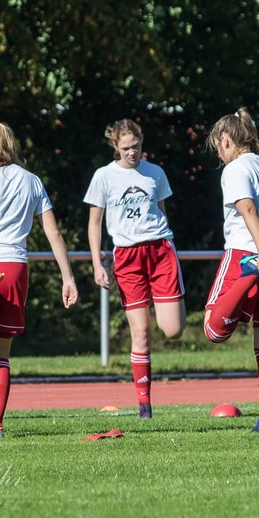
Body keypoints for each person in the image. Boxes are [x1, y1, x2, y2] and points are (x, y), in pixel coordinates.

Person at [0, 120, 77, 439]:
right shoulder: (32, 180)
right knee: (1, 354)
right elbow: (53, 232)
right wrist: (68, 277)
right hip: (14, 267)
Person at [84, 120, 184, 418]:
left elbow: (162, 213)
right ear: (115, 146)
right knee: (140, 332)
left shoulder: (155, 173)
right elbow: (94, 223)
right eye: (126, 148)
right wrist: (96, 263)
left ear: (142, 143)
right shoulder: (103, 176)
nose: (132, 152)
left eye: (136, 146)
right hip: (127, 258)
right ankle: (144, 404)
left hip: (160, 251)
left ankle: (175, 302)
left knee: (173, 330)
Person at [200, 110, 259, 422]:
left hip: (244, 253)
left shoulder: (235, 168)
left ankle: (251, 274)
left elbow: (247, 209)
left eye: (217, 146)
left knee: (213, 329)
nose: (218, 154)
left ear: (226, 140)